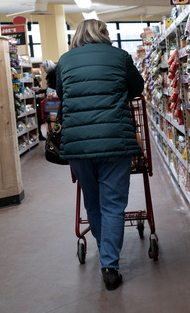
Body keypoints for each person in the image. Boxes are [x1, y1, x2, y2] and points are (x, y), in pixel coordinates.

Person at [55, 19, 144, 291]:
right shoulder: (120, 56)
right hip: (116, 141)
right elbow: (137, 88)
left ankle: (104, 249)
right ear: (103, 33)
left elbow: (61, 93)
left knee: (92, 203)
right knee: (113, 204)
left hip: (78, 146)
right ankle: (109, 265)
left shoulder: (65, 60)